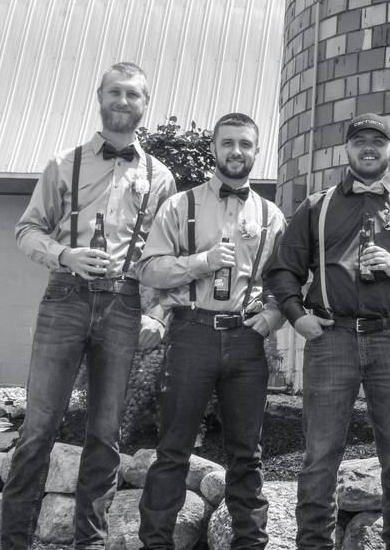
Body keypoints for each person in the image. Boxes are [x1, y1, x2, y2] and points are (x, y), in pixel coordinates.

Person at [4, 62, 176, 550]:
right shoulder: (65, 163)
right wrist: (66, 254)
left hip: (124, 304)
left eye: (134, 94)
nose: (124, 101)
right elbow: (26, 229)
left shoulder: (160, 178)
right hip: (65, 296)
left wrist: (157, 312)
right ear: (99, 97)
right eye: (115, 92)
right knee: (38, 428)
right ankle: (14, 541)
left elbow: (167, 257)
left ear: (146, 105)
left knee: (105, 433)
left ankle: (91, 543)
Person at [263, 112, 390, 550]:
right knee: (319, 457)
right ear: (346, 149)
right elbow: (283, 268)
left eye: (378, 142)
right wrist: (296, 315)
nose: (369, 148)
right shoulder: (317, 206)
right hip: (332, 338)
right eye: (360, 141)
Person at [135, 112, 286, 549]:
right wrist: (200, 263)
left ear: (256, 152)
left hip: (246, 340)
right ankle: (157, 543)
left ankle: (249, 544)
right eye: (228, 143)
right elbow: (148, 268)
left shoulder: (272, 215)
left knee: (247, 455)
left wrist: (273, 317)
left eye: (245, 144)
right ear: (215, 149)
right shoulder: (180, 206)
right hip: (192, 334)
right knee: (173, 449)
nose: (236, 151)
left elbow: (286, 280)